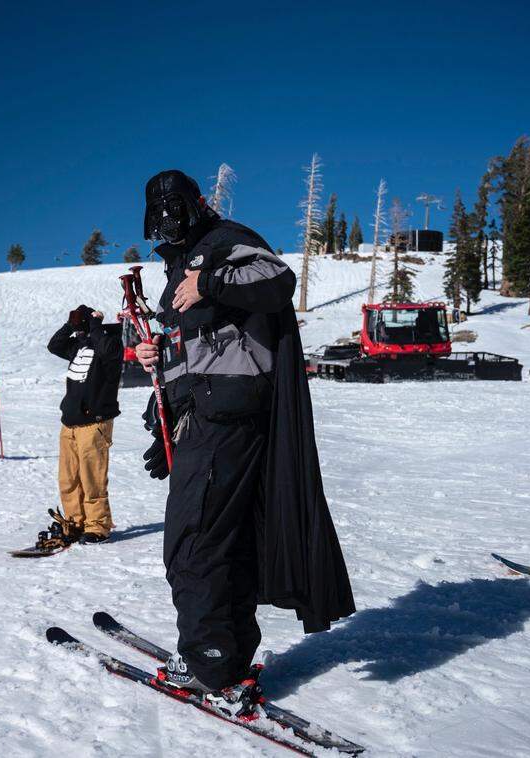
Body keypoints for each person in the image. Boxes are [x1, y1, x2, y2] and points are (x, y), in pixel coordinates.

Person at [134, 169, 355, 716]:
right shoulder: (179, 265)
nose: (169, 227)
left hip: (226, 419)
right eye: (159, 221)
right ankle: (223, 654)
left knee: (195, 541)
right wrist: (156, 358)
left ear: (196, 204)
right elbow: (206, 345)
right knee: (219, 541)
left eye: (175, 213)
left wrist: (206, 281)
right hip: (203, 416)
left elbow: (278, 283)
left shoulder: (227, 243)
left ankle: (211, 664)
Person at [44, 304, 123, 546]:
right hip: (70, 423)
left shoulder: (110, 343)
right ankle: (76, 521)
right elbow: (54, 345)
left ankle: (97, 525)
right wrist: (71, 325)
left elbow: (107, 349)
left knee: (92, 479)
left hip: (94, 423)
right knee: (68, 479)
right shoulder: (79, 345)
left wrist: (96, 324)